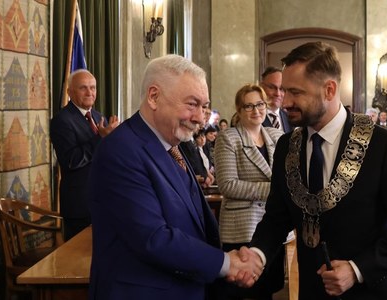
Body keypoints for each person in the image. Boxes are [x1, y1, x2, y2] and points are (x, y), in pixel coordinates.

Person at [248, 42, 387, 299]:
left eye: (295, 92)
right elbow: (277, 218)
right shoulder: (287, 146)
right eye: (283, 91)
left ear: (329, 90)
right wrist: (257, 254)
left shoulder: (381, 145)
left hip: (373, 291)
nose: (285, 102)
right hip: (314, 291)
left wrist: (357, 269)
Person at [87, 55, 263, 299]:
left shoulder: (172, 145)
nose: (200, 118)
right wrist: (227, 263)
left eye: (203, 107)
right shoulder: (120, 150)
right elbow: (152, 237)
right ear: (154, 96)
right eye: (191, 104)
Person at [214, 84, 285, 300]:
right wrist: (272, 190)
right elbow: (227, 185)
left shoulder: (277, 135)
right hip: (242, 227)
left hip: (273, 226)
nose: (256, 111)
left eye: (260, 104)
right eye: (249, 106)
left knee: (269, 287)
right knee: (244, 291)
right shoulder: (228, 138)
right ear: (239, 109)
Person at [50, 69, 120, 241]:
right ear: (70, 92)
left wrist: (115, 139)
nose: (90, 92)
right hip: (80, 204)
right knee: (78, 261)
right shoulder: (62, 120)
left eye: (93, 88)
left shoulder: (97, 116)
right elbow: (71, 161)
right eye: (83, 88)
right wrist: (101, 138)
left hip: (104, 200)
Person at [260, 66, 293, 133]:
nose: (277, 94)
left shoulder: (290, 117)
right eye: (272, 87)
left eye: (281, 89)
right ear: (261, 87)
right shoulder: (250, 115)